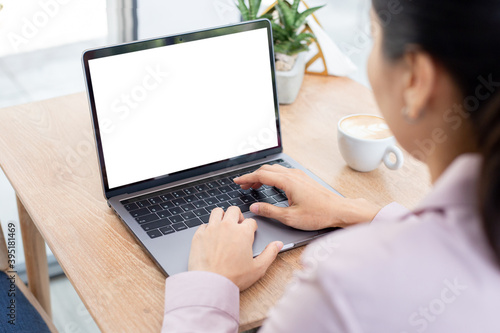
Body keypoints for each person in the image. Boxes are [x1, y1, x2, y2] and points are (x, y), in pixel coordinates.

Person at [161, 0, 500, 331]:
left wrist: (210, 284)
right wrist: (354, 211)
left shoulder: (344, 285)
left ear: (416, 80)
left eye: (373, 35)